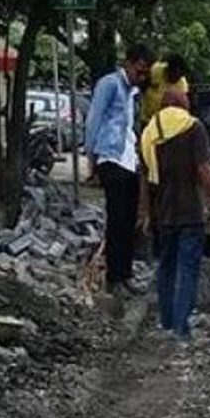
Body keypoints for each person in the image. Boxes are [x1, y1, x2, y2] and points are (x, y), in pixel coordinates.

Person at [138, 89, 210, 339]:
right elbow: (204, 169)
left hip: (163, 212)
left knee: (166, 266)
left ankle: (167, 321)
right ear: (182, 104)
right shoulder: (193, 127)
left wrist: (146, 212)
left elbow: (145, 178)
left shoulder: (150, 132)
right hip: (190, 211)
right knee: (188, 268)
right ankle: (182, 327)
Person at [85, 44, 154, 296]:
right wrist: (91, 155)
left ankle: (124, 274)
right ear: (129, 63)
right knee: (116, 220)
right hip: (110, 157)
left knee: (128, 220)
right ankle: (115, 278)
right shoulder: (109, 84)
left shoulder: (131, 91)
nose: (142, 76)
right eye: (140, 70)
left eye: (145, 73)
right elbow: (93, 119)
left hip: (127, 159)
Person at [138, 54, 191, 130]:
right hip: (147, 119)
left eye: (179, 76)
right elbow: (141, 86)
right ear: (168, 69)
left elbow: (185, 107)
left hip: (167, 124)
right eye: (174, 74)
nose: (176, 78)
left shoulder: (182, 85)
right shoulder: (155, 71)